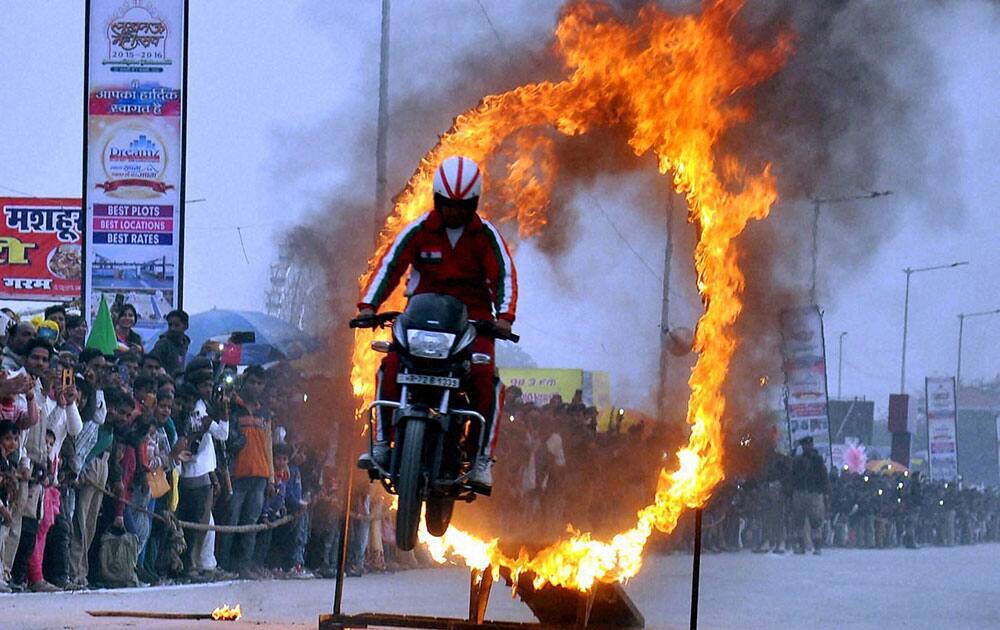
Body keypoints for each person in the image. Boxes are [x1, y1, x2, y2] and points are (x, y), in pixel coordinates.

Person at [355, 155, 517, 489]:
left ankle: (481, 458)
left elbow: (505, 278)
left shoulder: (486, 236)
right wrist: (368, 306)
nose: (453, 212)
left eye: (461, 206)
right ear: (437, 200)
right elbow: (390, 265)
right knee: (391, 365)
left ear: (473, 204)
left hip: (473, 322)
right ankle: (382, 446)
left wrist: (504, 318)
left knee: (486, 379)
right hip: (422, 318)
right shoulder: (419, 230)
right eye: (447, 204)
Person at [220, 366, 273, 578]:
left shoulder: (264, 414)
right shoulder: (232, 408)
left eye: (260, 383)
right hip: (236, 475)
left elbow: (269, 446)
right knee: (231, 520)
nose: (256, 386)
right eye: (252, 382)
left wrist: (272, 478)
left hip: (260, 475)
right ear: (245, 381)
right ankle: (223, 564)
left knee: (251, 523)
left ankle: (244, 565)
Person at [790, 436, 829, 555]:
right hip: (800, 492)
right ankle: (801, 546)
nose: (808, 447)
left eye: (809, 444)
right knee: (799, 521)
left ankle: (817, 546)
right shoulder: (797, 460)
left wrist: (825, 492)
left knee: (815, 521)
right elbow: (792, 473)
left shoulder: (817, 459)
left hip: (814, 493)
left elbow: (823, 476)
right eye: (805, 445)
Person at [149, 310, 190, 377]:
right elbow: (151, 361)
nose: (172, 328)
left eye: (176, 325)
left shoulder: (185, 344)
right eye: (170, 325)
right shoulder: (163, 344)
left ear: (185, 326)